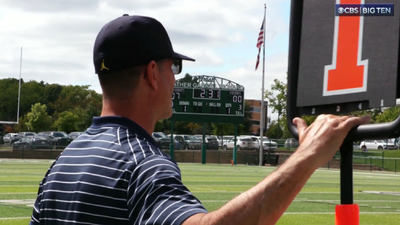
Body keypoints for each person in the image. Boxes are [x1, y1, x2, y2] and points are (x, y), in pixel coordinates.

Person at [29, 14, 371, 225]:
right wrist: (308, 155)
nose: (175, 80)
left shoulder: (63, 163)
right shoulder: (141, 164)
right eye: (173, 67)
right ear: (153, 73)